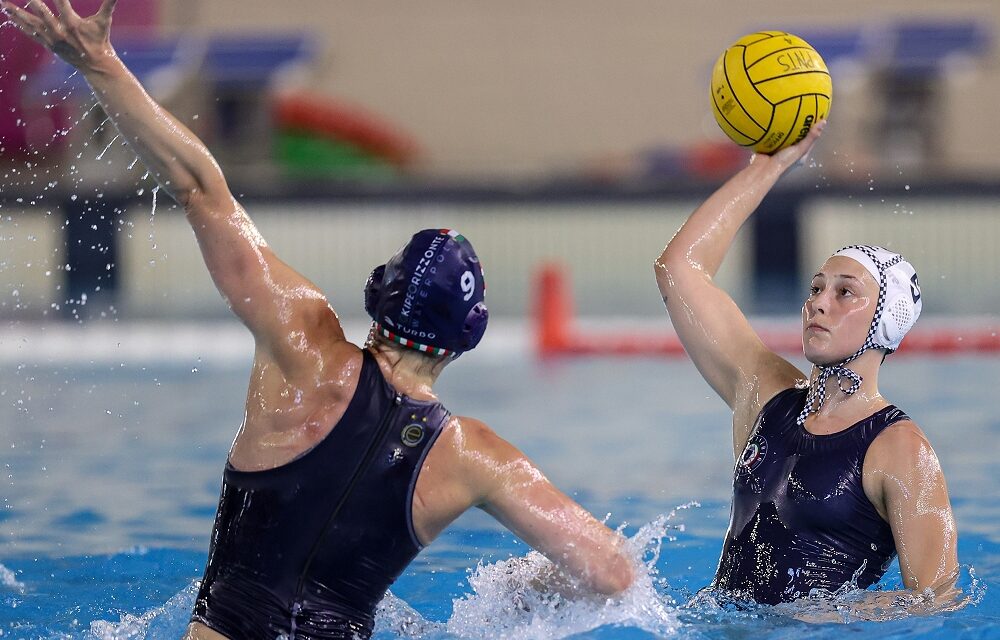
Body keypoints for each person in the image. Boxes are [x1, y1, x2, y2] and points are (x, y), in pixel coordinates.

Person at [2, 1, 635, 638]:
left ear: (379, 296)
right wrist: (513, 590)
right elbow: (612, 574)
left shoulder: (302, 341)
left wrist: (99, 63)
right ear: (466, 338)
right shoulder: (474, 456)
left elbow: (200, 187)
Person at [654, 121, 959, 613]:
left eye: (845, 293)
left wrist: (824, 616)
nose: (819, 304)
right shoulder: (765, 394)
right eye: (816, 288)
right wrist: (767, 166)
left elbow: (938, 599)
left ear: (886, 322)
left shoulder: (901, 450)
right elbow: (678, 270)